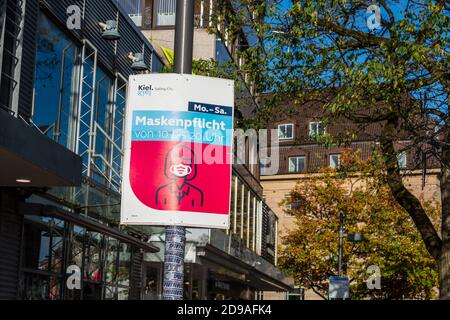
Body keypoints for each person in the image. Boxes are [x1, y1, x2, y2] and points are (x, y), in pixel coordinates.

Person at [156, 144, 204, 209]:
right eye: (176, 161)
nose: (181, 165)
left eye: (185, 161)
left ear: (191, 167)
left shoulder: (196, 193)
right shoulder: (161, 191)